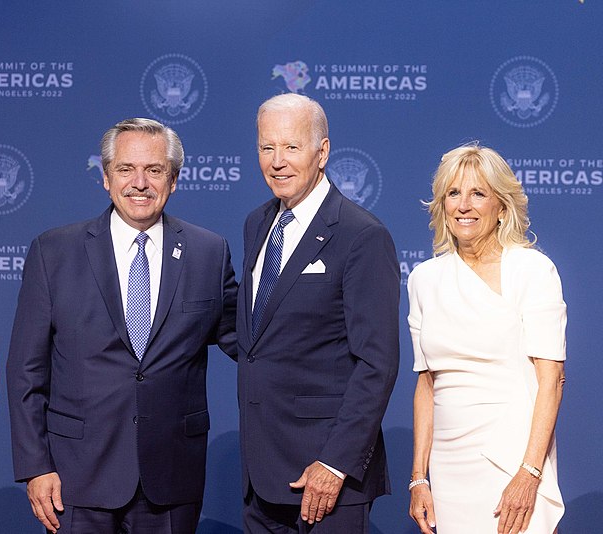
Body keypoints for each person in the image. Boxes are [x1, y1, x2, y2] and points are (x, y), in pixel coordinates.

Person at [7, 118, 237, 534]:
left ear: (174, 179)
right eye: (126, 169)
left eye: (154, 170)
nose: (140, 183)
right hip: (75, 478)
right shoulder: (53, 251)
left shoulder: (209, 253)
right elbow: (26, 370)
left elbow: (252, 345)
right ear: (106, 178)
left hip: (171, 477)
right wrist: (35, 466)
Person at [237, 93, 400, 533]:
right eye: (267, 148)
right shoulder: (257, 223)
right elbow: (257, 338)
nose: (277, 161)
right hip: (261, 476)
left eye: (291, 147)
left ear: (322, 152)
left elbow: (377, 364)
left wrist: (334, 462)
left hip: (326, 477)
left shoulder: (361, 235)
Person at [407, 143, 566, 534]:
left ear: (501, 205)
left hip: (513, 460)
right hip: (447, 469)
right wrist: (418, 477)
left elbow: (552, 380)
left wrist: (530, 473)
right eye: (453, 193)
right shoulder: (423, 280)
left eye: (478, 193)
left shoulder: (532, 270)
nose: (464, 205)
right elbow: (426, 385)